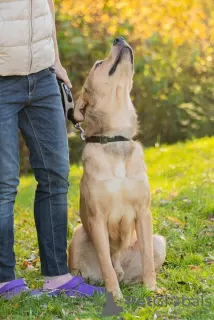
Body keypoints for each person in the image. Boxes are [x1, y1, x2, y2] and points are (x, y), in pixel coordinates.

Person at [0, 0, 104, 299]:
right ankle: (4, 280)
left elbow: (46, 6)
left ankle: (57, 276)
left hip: (44, 78)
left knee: (56, 176)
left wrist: (56, 62)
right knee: (4, 183)